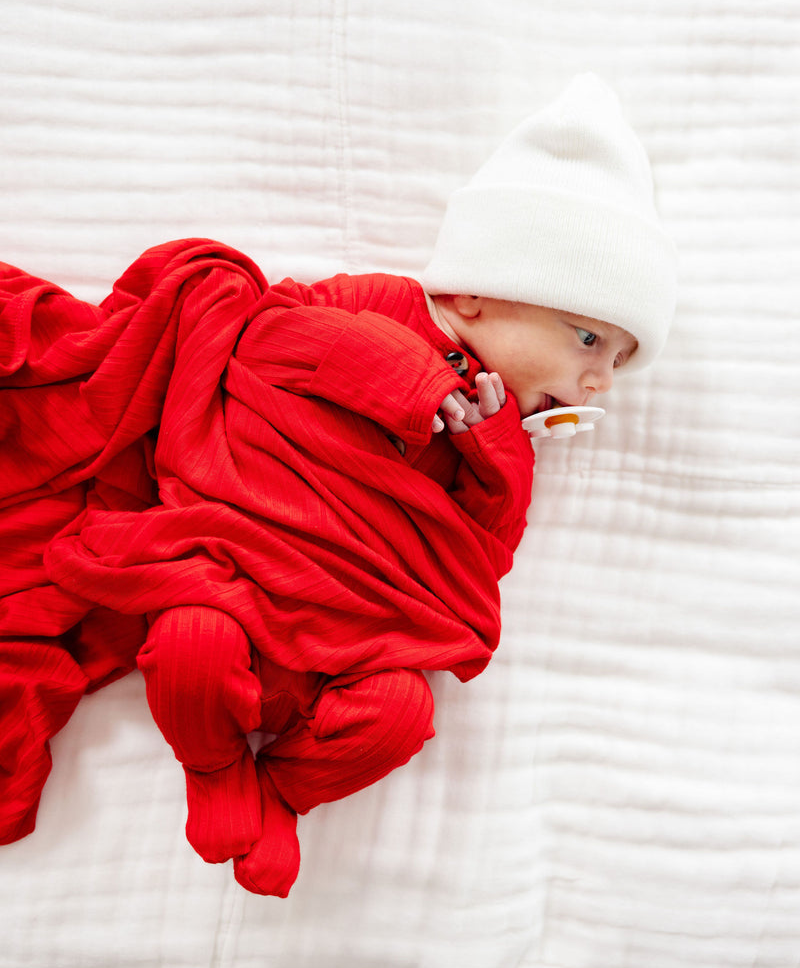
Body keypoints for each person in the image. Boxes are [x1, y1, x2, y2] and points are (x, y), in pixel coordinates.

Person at [0, 73, 676, 896]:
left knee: (400, 716)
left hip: (354, 630)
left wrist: (495, 449)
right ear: (480, 292)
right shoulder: (382, 307)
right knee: (189, 649)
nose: (600, 380)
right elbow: (268, 339)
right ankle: (214, 770)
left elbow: (475, 559)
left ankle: (280, 792)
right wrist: (410, 386)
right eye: (588, 341)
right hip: (241, 566)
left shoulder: (505, 436)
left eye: (615, 363)